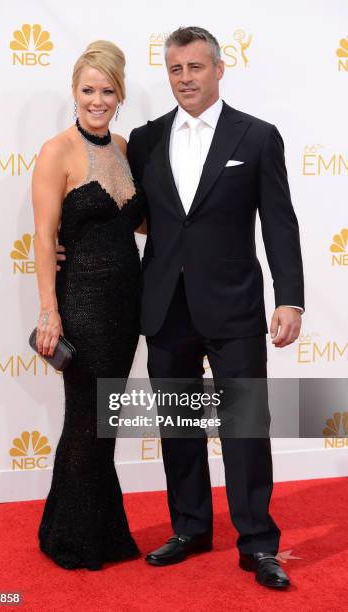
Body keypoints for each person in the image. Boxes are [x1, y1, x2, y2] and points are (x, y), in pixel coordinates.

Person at [126, 27, 304, 588]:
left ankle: (258, 543)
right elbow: (131, 216)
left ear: (219, 69)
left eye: (195, 68)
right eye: (176, 70)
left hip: (234, 307)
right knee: (179, 426)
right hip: (165, 307)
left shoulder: (256, 137)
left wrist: (291, 298)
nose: (185, 79)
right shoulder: (145, 139)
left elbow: (279, 221)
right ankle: (191, 527)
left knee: (245, 428)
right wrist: (68, 241)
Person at [32, 40, 144, 570]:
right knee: (86, 417)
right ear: (73, 91)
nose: (96, 99)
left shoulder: (123, 146)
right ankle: (70, 539)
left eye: (107, 90)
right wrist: (49, 312)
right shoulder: (57, 151)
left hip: (128, 305)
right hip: (82, 301)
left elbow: (138, 221)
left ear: (119, 94)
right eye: (87, 90)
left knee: (105, 417)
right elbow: (41, 235)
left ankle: (97, 529)